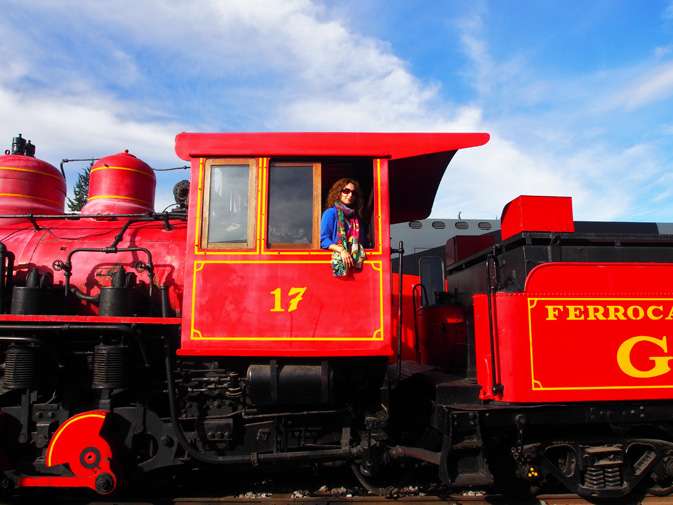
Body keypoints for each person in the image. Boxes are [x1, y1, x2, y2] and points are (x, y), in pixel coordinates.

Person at [320, 178, 369, 277]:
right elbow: (324, 240)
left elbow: (364, 242)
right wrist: (342, 250)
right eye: (346, 191)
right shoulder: (330, 213)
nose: (350, 195)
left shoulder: (356, 218)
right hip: (338, 264)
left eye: (353, 193)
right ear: (338, 192)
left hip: (357, 265)